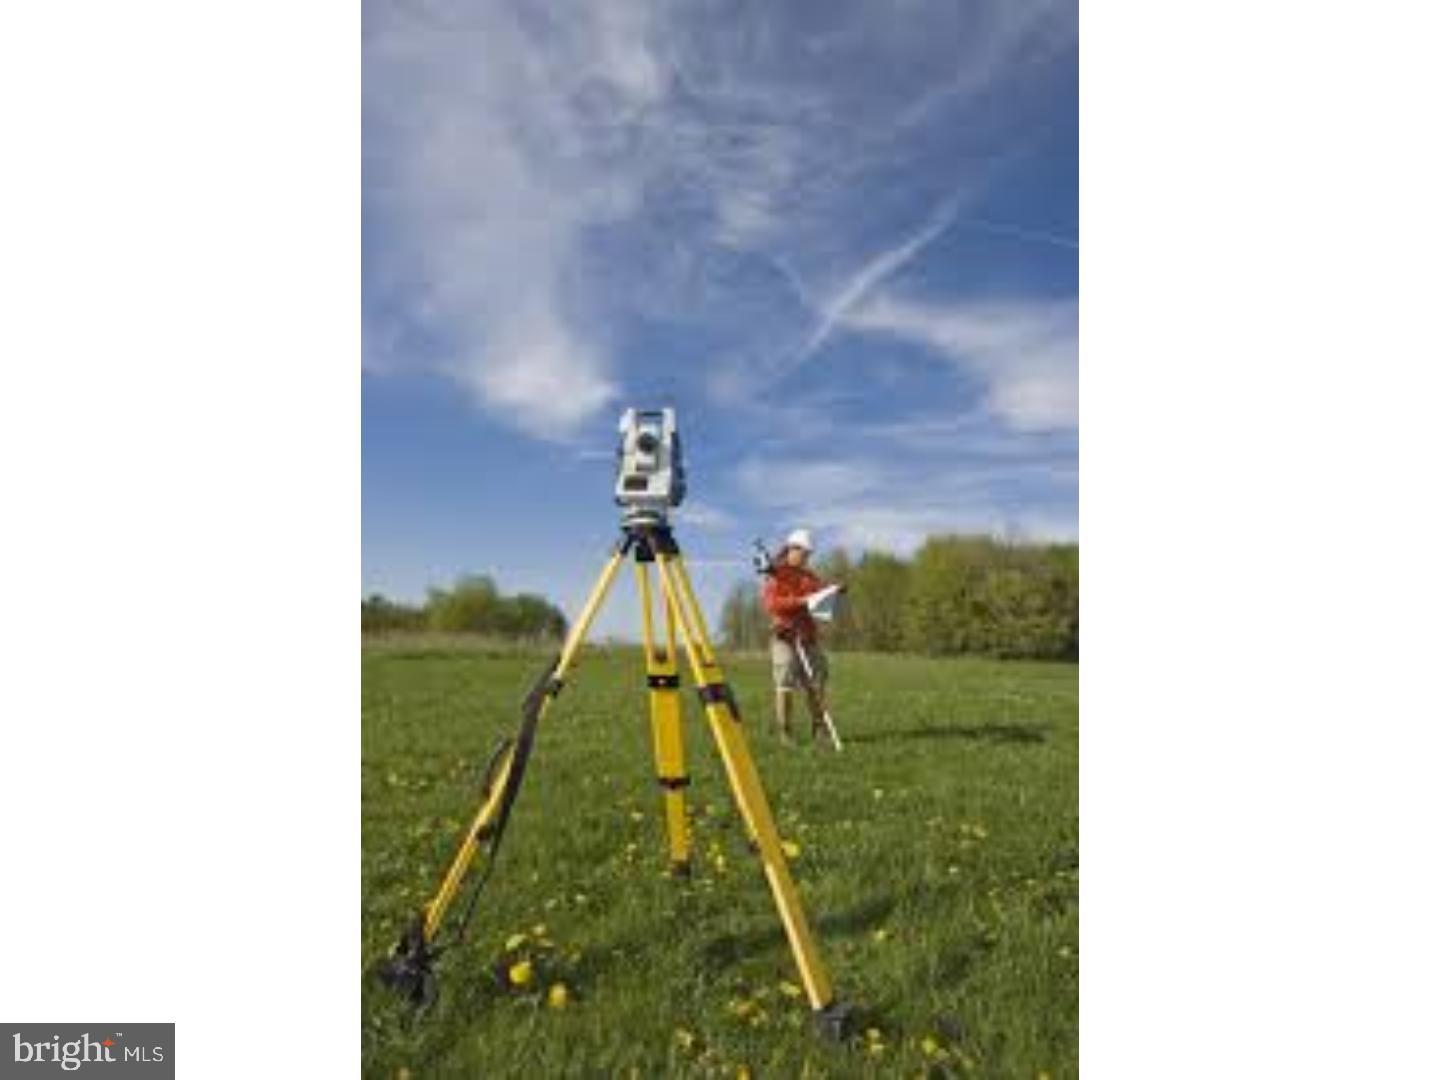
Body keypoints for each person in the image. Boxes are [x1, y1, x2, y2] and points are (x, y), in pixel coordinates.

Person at [761, 528, 843, 745]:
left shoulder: (809, 577)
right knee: (785, 684)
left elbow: (819, 595)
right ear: (791, 549)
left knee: (817, 682)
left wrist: (834, 590)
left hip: (808, 636)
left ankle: (819, 730)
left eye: (808, 554)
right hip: (784, 635)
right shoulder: (775, 573)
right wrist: (801, 601)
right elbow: (771, 604)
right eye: (803, 553)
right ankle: (785, 733)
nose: (806, 557)